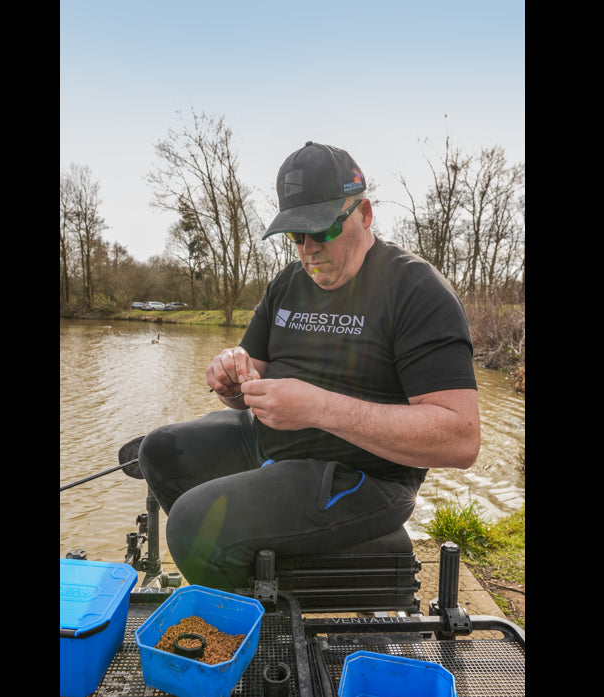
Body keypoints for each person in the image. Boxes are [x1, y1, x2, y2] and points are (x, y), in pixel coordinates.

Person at [138, 141, 480, 590]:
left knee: (188, 524)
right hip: (270, 447)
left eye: (322, 230)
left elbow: (461, 438)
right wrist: (229, 381)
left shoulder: (415, 289)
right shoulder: (288, 283)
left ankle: (248, 608)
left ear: (364, 214)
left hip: (366, 477)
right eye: (296, 236)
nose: (308, 249)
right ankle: (244, 580)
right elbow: (247, 383)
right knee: (159, 451)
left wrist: (318, 408)